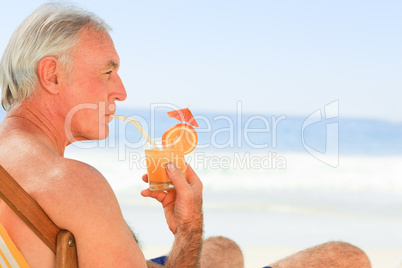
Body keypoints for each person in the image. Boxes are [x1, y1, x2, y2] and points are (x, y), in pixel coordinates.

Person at [0, 2, 371, 268]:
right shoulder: (72, 184)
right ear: (51, 75)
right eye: (108, 72)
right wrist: (189, 227)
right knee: (347, 257)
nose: (121, 91)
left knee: (226, 249)